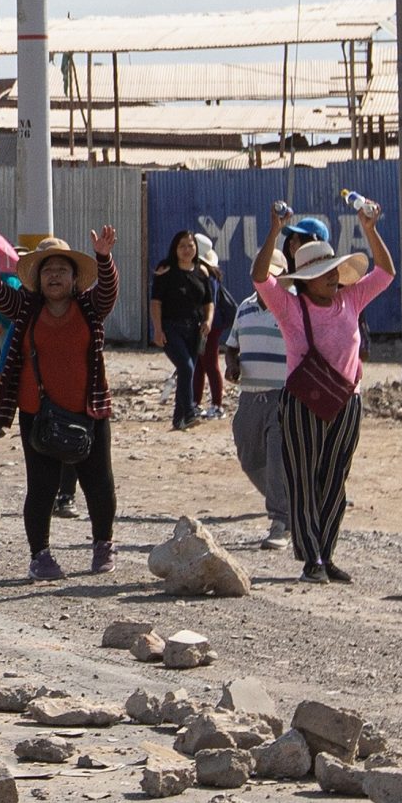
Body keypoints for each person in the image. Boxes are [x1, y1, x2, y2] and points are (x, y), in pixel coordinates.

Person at [0, 224, 121, 577]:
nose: (54, 276)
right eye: (48, 270)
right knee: (41, 487)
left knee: (99, 483)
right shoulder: (26, 307)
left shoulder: (90, 307)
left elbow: (109, 289)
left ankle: (103, 545)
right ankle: (40, 557)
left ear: (74, 278)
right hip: (38, 413)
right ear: (37, 278)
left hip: (89, 410)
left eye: (62, 270)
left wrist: (104, 258)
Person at [253, 196, 393, 583]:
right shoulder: (288, 306)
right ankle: (311, 557)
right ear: (304, 279)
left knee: (335, 480)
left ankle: (326, 554)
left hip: (347, 402)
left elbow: (385, 272)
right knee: (303, 479)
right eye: (323, 273)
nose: (333, 278)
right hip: (303, 403)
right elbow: (260, 277)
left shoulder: (351, 298)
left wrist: (370, 230)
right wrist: (273, 232)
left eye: (334, 270)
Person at [226, 215, 326, 552]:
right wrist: (232, 364)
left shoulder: (294, 307)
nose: (268, 279)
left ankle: (281, 520)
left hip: (284, 395)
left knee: (277, 457)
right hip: (250, 397)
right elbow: (232, 345)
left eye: (274, 273)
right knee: (249, 457)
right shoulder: (245, 308)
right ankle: (292, 502)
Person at [149, 230, 215, 431]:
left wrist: (208, 321)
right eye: (182, 246)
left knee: (188, 372)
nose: (187, 250)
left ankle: (179, 419)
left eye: (190, 245)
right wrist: (158, 329)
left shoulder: (202, 272)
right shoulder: (166, 271)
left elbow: (209, 302)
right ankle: (189, 412)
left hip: (194, 330)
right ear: (175, 249)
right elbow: (156, 302)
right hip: (171, 328)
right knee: (186, 368)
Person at [194, 234, 232, 418]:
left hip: (209, 326)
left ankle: (217, 405)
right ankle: (195, 403)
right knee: (199, 365)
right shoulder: (206, 274)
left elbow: (209, 303)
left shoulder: (206, 276)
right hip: (205, 326)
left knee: (209, 363)